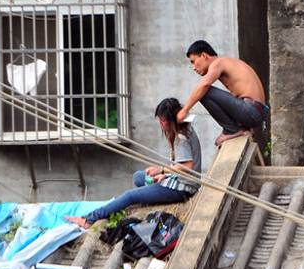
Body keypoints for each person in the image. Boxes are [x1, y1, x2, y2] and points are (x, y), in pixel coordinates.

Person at [66, 98, 202, 229]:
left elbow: (187, 166)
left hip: (181, 189)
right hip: (177, 180)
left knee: (130, 196)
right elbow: (181, 164)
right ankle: (151, 190)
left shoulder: (181, 137)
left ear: (172, 119)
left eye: (164, 120)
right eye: (159, 119)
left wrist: (161, 170)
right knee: (139, 177)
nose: (161, 123)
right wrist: (166, 176)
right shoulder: (184, 128)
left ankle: (89, 220)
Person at [177, 40, 268, 146]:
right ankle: (240, 127)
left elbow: (205, 85)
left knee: (205, 92)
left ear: (204, 55)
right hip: (255, 112)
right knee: (205, 91)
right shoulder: (228, 62)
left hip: (252, 111)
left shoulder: (218, 63)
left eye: (193, 62)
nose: (193, 68)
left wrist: (185, 110)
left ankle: (231, 130)